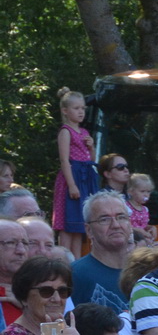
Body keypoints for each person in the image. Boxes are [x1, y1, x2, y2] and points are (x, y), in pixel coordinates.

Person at [0, 256, 87, 335]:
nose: (57, 299)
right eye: (46, 291)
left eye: (63, 291)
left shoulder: (62, 333)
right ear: (24, 297)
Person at [69, 192, 135, 316]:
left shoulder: (146, 273)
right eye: (104, 219)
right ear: (89, 230)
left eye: (121, 217)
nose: (115, 225)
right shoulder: (74, 275)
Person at [53, 87, 98, 254]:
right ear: (65, 111)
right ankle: (64, 258)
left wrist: (91, 146)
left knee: (79, 223)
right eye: (76, 108)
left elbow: (91, 159)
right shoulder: (65, 132)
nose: (81, 112)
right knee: (67, 222)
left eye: (83, 108)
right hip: (72, 177)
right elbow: (65, 160)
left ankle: (77, 260)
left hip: (85, 177)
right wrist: (72, 185)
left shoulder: (84, 132)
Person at [124, 171, 154, 239]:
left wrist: (151, 228)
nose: (146, 194)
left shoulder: (145, 209)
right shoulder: (126, 208)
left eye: (148, 191)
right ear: (130, 192)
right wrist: (139, 231)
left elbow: (143, 225)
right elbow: (124, 226)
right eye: (142, 191)